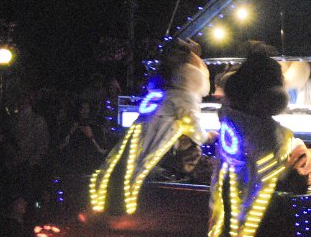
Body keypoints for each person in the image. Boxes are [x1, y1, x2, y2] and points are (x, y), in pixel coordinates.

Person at [208, 49, 311, 237]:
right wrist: (301, 155)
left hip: (229, 190)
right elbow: (276, 163)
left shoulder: (229, 115)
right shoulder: (267, 131)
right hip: (264, 216)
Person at [87, 39, 216, 214]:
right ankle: (123, 208)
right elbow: (192, 125)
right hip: (157, 138)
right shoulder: (185, 95)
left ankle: (105, 203)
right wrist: (207, 136)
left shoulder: (161, 91)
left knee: (121, 165)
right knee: (137, 169)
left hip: (139, 133)